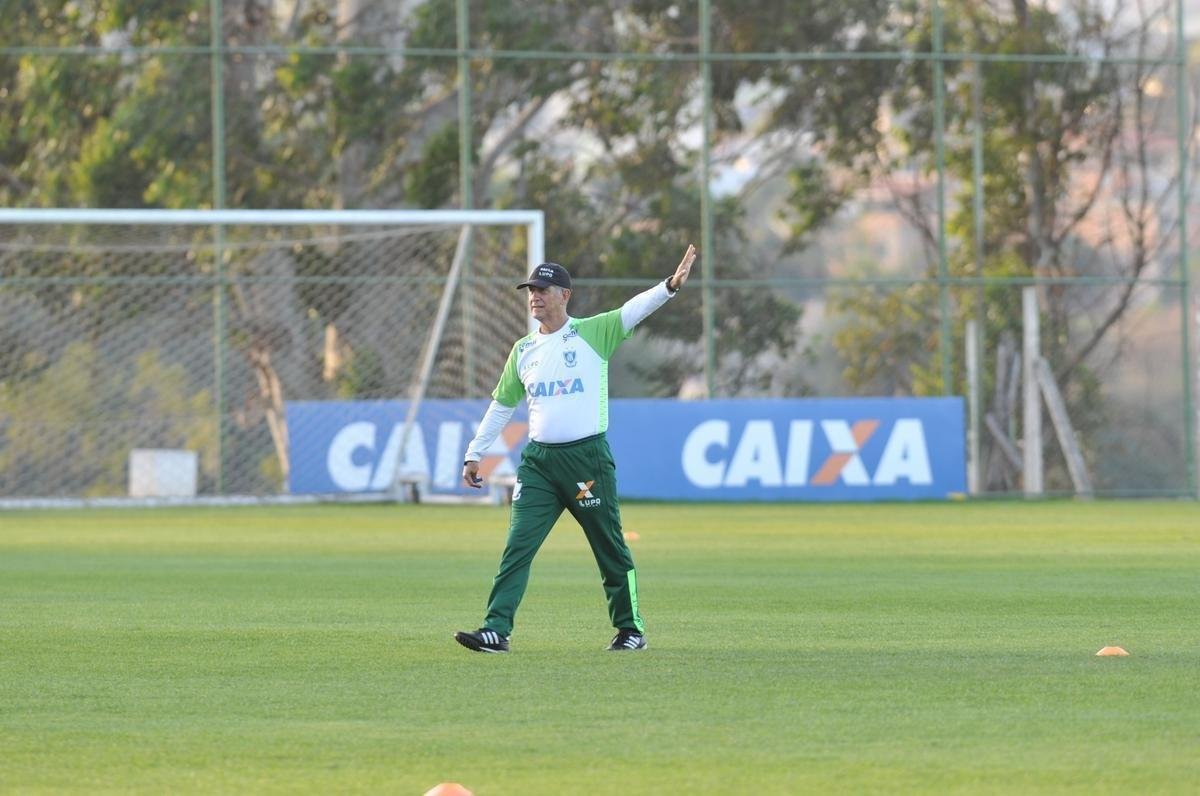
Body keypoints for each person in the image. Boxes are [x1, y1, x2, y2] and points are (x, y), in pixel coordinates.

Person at [454, 244, 698, 653]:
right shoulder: (523, 350)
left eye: (543, 289)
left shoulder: (593, 333)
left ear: (565, 295)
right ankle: (496, 629)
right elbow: (502, 405)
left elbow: (633, 310)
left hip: (586, 460)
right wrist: (475, 452)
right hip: (539, 464)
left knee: (609, 547)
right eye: (531, 290)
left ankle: (630, 629)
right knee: (517, 547)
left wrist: (670, 286)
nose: (535, 296)